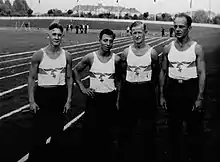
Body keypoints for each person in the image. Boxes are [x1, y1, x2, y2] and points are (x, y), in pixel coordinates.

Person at [159, 13, 206, 162]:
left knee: (194, 130)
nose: (177, 29)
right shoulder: (167, 48)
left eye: (181, 26)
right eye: (175, 26)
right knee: (173, 129)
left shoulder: (196, 48)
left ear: (189, 28)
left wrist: (199, 97)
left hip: (190, 89)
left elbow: (202, 73)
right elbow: (163, 72)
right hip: (173, 89)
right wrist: (161, 95)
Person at [27, 22, 73, 161]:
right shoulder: (38, 55)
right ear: (49, 35)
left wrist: (69, 99)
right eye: (54, 34)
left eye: (59, 35)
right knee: (39, 133)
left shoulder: (67, 56)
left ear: (62, 36)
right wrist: (31, 100)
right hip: (43, 95)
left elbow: (70, 78)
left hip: (60, 95)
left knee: (58, 132)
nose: (57, 37)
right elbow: (31, 78)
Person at [73, 29, 121, 161]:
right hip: (94, 99)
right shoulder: (90, 57)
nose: (108, 43)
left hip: (109, 99)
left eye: (111, 41)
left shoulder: (116, 59)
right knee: (90, 133)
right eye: (105, 40)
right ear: (99, 40)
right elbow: (75, 71)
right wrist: (82, 88)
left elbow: (119, 80)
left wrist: (117, 98)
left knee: (108, 134)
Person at [118, 21, 159, 161]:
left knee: (148, 129)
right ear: (131, 33)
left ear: (145, 33)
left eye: (139, 32)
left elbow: (156, 73)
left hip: (146, 93)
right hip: (129, 93)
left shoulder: (152, 53)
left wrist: (148, 88)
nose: (137, 35)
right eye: (134, 32)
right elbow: (122, 73)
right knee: (127, 129)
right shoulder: (125, 53)